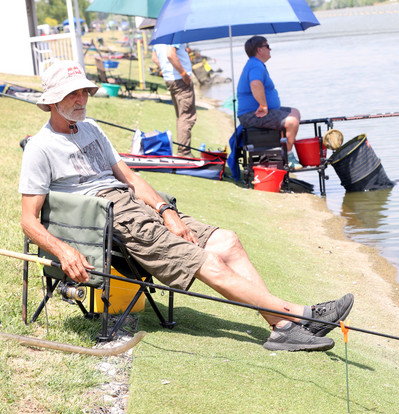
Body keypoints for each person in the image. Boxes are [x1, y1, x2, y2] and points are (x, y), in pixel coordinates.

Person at [19, 60, 353, 352]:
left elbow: (131, 178)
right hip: (111, 222)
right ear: (51, 101)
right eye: (72, 94)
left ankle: (281, 327)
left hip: (137, 206)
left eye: (84, 92)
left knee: (228, 241)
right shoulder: (41, 148)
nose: (81, 100)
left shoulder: (90, 128)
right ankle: (301, 315)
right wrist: (64, 251)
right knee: (207, 260)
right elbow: (29, 222)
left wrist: (167, 211)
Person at [237, 36, 302, 169]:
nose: (270, 48)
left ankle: (282, 147)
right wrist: (263, 105)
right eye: (267, 46)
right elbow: (255, 84)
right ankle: (288, 156)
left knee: (294, 112)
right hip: (251, 114)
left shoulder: (255, 64)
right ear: (259, 50)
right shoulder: (255, 64)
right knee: (292, 122)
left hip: (257, 111)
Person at [152, 43, 196, 157]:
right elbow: (171, 55)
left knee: (181, 115)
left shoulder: (160, 35)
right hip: (180, 80)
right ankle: (184, 152)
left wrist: (165, 69)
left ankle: (183, 150)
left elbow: (154, 57)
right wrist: (183, 73)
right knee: (187, 116)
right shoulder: (174, 32)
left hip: (170, 79)